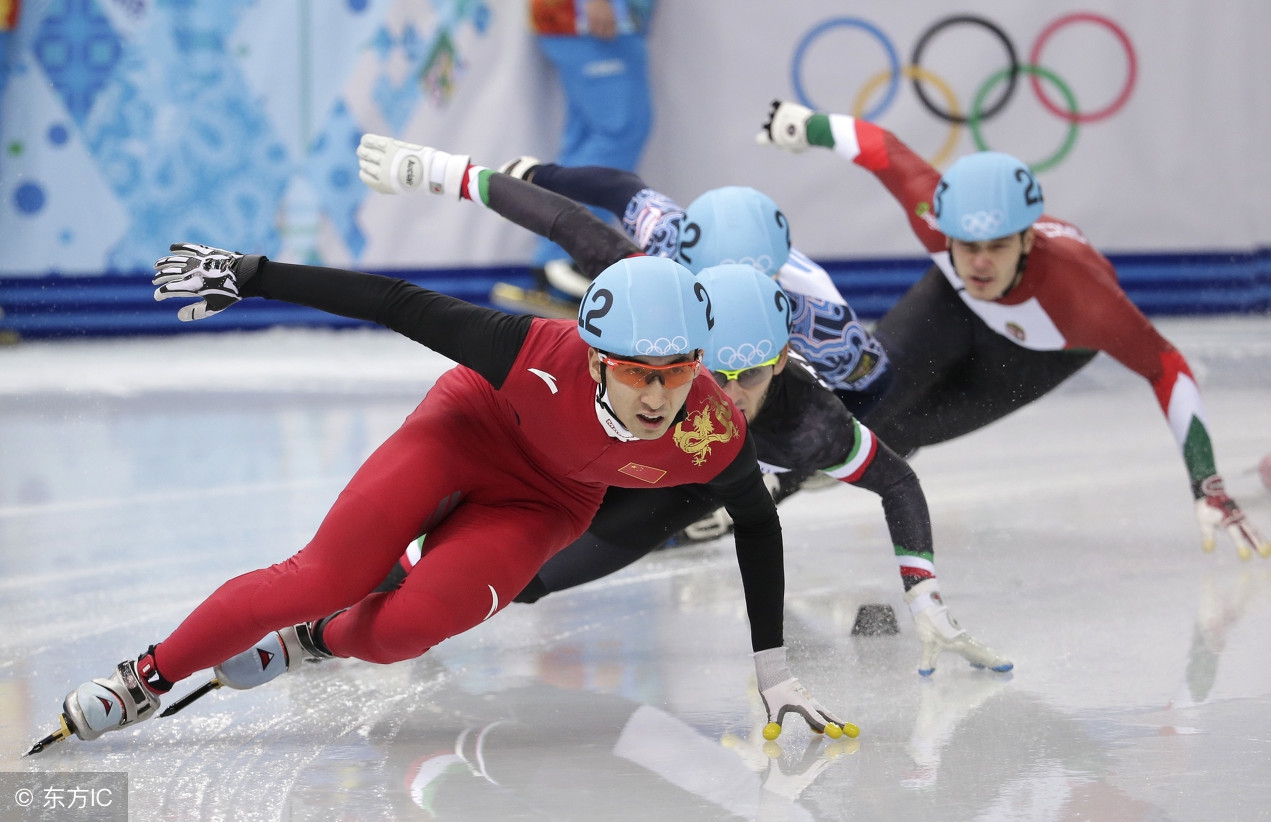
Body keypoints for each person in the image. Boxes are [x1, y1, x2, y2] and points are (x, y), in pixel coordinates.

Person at [36, 165, 855, 754]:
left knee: (404, 632)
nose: (656, 395)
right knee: (324, 572)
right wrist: (252, 273)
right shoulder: (529, 348)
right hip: (466, 432)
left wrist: (772, 670)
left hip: (544, 506)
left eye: (675, 372)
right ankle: (145, 676)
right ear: (598, 358)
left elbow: (756, 525)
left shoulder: (709, 432)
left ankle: (311, 642)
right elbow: (395, 300)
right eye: (637, 372)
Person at [356, 133, 1010, 677]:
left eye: (746, 373)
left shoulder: (828, 338)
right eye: (707, 367)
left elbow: (879, 425)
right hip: (642, 414)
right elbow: (580, 210)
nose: (719, 397)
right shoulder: (661, 258)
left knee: (533, 573)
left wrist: (801, 476)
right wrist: (449, 172)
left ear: (780, 352)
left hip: (722, 457)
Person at [755, 99, 1271, 561]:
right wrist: (806, 125)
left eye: (998, 246)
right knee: (862, 392)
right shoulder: (935, 217)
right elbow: (880, 148)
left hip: (1040, 351)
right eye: (967, 245)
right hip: (954, 306)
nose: (980, 263)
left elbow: (1167, 367)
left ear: (1027, 240)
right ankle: (752, 481)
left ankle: (791, 475)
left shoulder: (1081, 297)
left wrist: (1207, 486)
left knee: (896, 431)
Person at [496, 159, 893, 417]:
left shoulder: (825, 327)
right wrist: (535, 175)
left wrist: (807, 461)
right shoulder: (671, 237)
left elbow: (874, 386)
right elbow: (620, 188)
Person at [526, 0, 654, 296]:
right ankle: (562, 256)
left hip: (597, 16)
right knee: (618, 129)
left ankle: (556, 257)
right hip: (591, 15)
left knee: (588, 138)